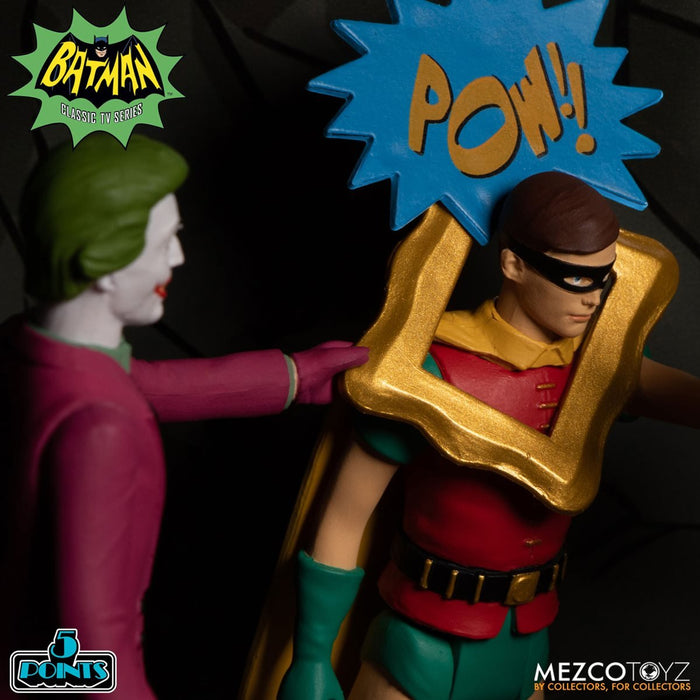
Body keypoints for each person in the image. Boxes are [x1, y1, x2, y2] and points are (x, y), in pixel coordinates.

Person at [276, 172, 700, 700]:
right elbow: (344, 517)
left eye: (603, 279)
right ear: (514, 264)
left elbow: (676, 394)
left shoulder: (596, 366)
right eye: (574, 278)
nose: (592, 299)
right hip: (423, 639)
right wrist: (312, 659)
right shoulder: (427, 370)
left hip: (528, 643)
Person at [0, 132, 368, 699]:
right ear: (105, 263)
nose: (177, 257)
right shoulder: (101, 429)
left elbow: (144, 383)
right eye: (164, 241)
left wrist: (295, 376)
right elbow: (92, 649)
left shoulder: (25, 349)